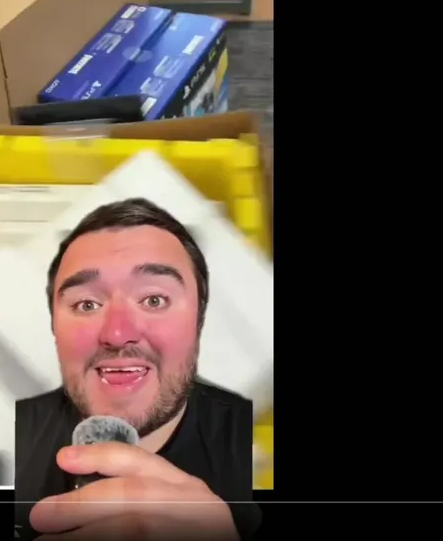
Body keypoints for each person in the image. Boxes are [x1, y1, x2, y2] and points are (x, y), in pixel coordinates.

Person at [15, 199, 262, 540]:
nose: (117, 334)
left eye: (154, 300)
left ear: (199, 318)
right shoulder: (8, 440)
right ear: (54, 326)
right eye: (87, 304)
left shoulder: (250, 442)